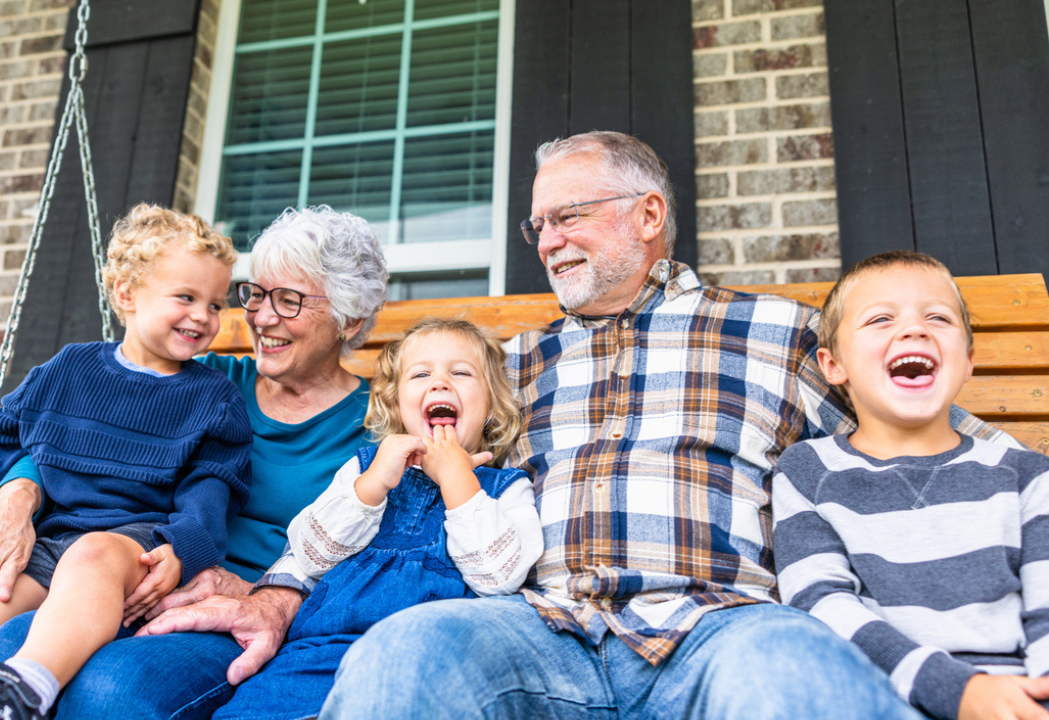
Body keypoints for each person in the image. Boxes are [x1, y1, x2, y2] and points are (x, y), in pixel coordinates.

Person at [138, 131, 1020, 720]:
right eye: (537, 224)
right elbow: (378, 479)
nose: (548, 239)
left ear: (647, 216)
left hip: (719, 623)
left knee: (793, 673)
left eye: (568, 216)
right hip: (537, 626)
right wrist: (281, 587)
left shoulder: (776, 334)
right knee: (401, 657)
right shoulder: (504, 365)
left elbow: (933, 434)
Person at [0, 205, 390, 719]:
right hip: (128, 581)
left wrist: (265, 593)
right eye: (257, 294)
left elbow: (383, 564)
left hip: (243, 612)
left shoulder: (380, 424)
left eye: (289, 301)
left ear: (350, 319)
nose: (263, 317)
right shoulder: (196, 382)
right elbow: (76, 439)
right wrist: (17, 492)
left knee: (111, 690)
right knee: (3, 652)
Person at [0, 204, 251, 720]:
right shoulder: (67, 368)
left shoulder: (214, 398)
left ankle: (21, 692)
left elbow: (212, 490)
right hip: (48, 546)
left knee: (92, 554)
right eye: (186, 297)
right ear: (126, 293)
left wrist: (182, 548)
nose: (204, 317)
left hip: (129, 555)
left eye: (215, 303)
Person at [201, 318, 543, 720]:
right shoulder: (366, 470)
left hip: (420, 666)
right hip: (317, 654)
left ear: (491, 408)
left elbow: (499, 577)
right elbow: (310, 554)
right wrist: (373, 484)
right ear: (396, 405)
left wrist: (457, 479)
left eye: (461, 372)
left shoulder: (505, 489)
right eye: (421, 374)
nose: (439, 383)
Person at [772, 251, 1049, 720]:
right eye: (880, 319)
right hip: (879, 696)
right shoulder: (808, 472)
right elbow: (821, 604)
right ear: (833, 365)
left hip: (1017, 698)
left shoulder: (1026, 474)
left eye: (938, 317)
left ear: (968, 361)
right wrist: (955, 690)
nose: (914, 329)